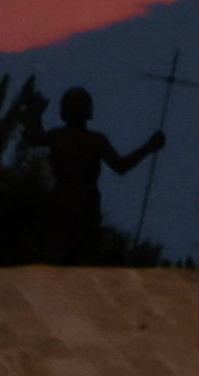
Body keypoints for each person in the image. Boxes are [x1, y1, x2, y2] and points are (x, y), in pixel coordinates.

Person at [40, 86, 163, 264]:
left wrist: (149, 147)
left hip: (74, 206)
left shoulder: (63, 137)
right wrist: (149, 147)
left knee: (70, 258)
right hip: (76, 206)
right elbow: (121, 166)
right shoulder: (89, 139)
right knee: (69, 258)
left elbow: (34, 137)